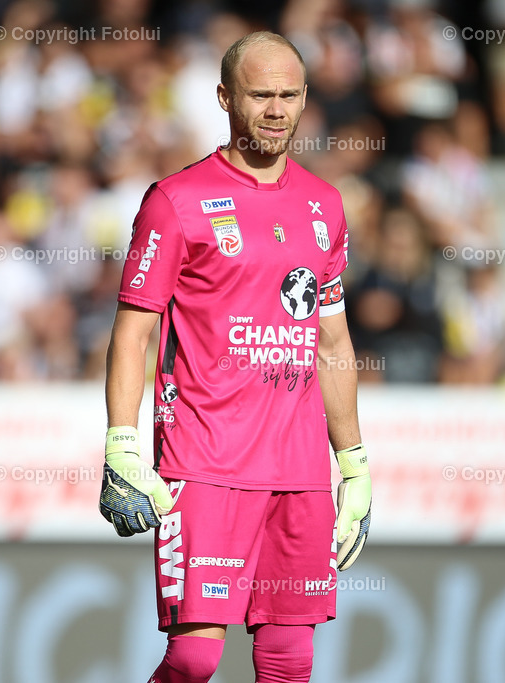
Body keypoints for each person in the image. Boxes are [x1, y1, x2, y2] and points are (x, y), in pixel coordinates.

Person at [98, 32, 372, 683]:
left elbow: (331, 340)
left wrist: (354, 462)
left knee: (289, 659)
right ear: (225, 97)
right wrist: (121, 443)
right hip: (205, 460)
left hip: (298, 468)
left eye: (289, 95)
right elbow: (132, 332)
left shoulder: (323, 205)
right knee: (195, 657)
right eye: (260, 95)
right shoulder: (175, 201)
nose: (277, 110)